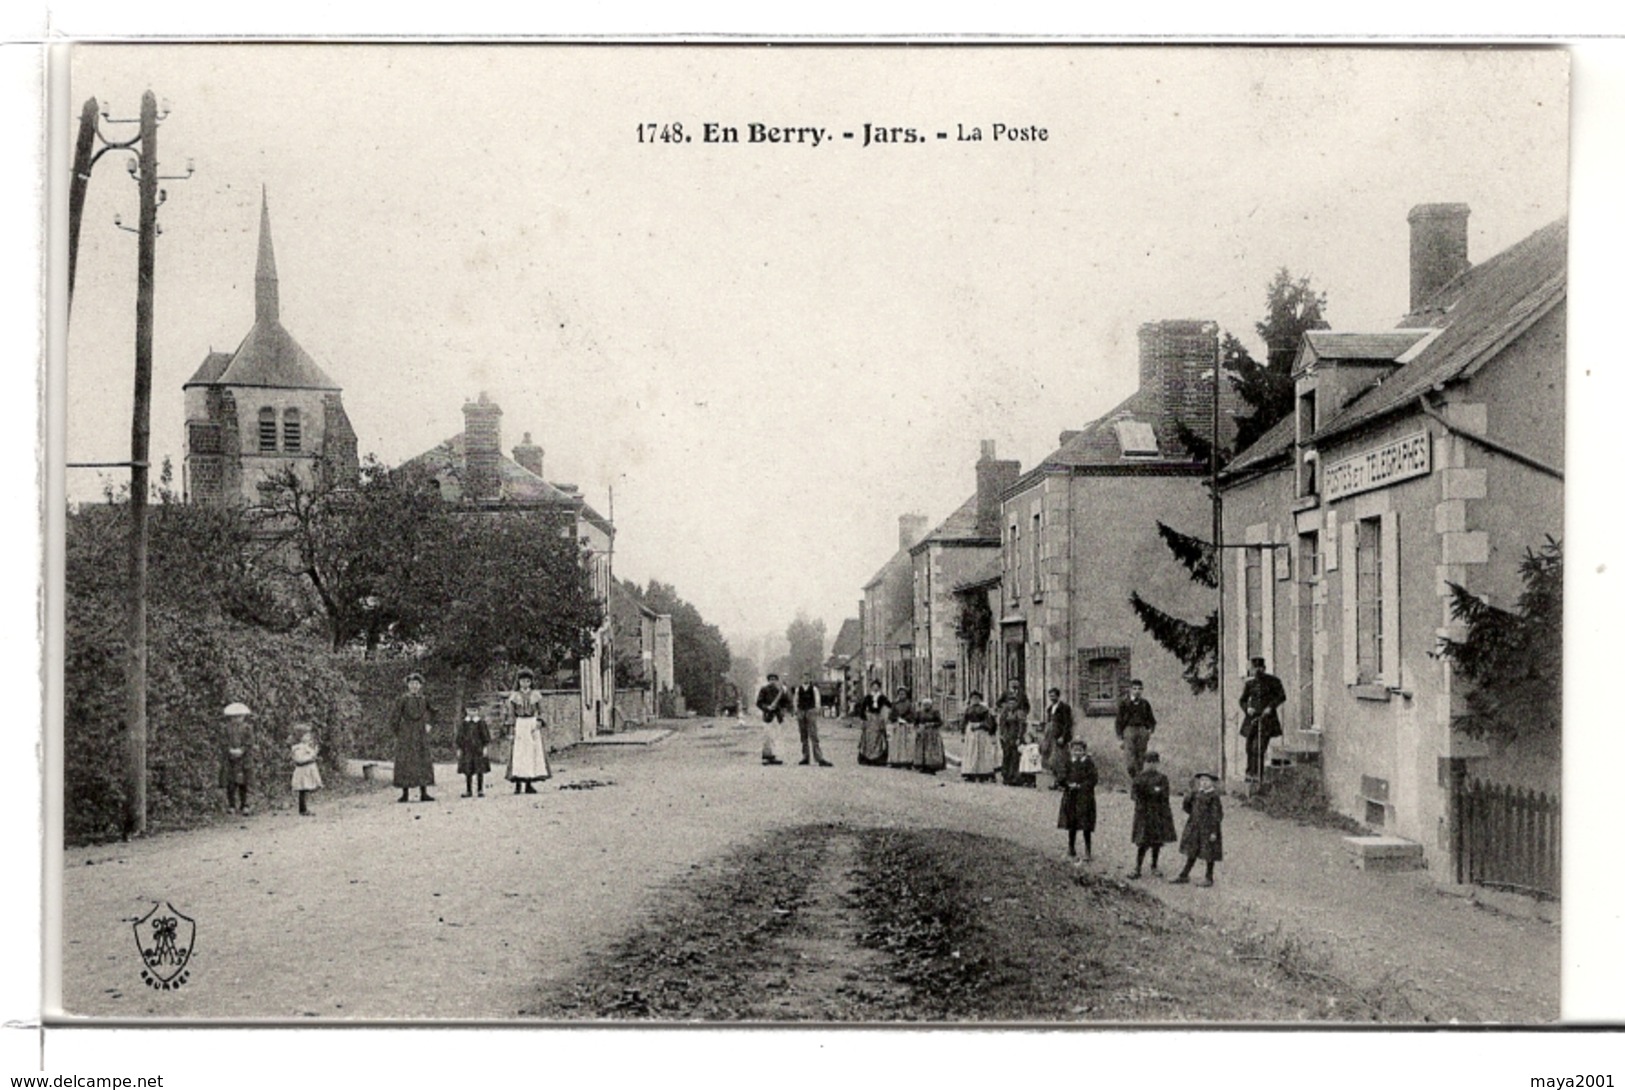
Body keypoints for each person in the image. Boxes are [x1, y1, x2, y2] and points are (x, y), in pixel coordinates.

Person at [388, 672, 437, 803]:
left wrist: (429, 724)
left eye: (416, 684)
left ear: (420, 686)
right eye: (411, 684)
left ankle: (424, 792)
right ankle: (405, 794)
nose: (414, 686)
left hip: (421, 733)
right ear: (408, 685)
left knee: (423, 760)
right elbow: (395, 717)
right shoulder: (402, 699)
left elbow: (433, 712)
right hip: (406, 734)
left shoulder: (424, 699)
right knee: (405, 761)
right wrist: (399, 732)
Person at [1128, 752, 1178, 879]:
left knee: (1156, 842)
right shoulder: (1139, 777)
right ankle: (1137, 867)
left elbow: (1164, 794)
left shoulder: (1162, 778)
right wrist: (1152, 792)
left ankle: (1154, 866)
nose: (1151, 765)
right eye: (1148, 762)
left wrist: (1151, 793)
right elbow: (1134, 794)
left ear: (1157, 764)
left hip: (1157, 814)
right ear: (1144, 764)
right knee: (1142, 841)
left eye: (1154, 763)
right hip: (1143, 814)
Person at [1171, 772, 1224, 887]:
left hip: (1208, 828)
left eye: (1207, 781)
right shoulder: (1196, 794)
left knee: (1209, 852)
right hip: (1195, 827)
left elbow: (1217, 815)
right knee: (1192, 850)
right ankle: (1184, 875)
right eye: (1202, 780)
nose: (1204, 783)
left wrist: (1214, 831)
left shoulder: (1213, 797)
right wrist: (1189, 798)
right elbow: (1187, 806)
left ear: (1212, 783)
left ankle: (1209, 878)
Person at [1239, 657, 1287, 782]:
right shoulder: (1250, 684)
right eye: (1253, 669)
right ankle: (1249, 774)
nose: (1255, 671)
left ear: (1263, 668)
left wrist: (1271, 707)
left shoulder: (1274, 681)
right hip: (1251, 719)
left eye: (1257, 669)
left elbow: (1282, 696)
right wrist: (1247, 708)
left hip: (1267, 720)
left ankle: (1258, 776)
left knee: (1258, 748)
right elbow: (1242, 700)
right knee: (1249, 747)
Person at [504, 669, 551, 793]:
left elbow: (542, 710)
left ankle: (529, 783)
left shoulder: (536, 695)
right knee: (519, 753)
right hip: (520, 724)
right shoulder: (514, 696)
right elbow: (510, 713)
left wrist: (539, 720)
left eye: (527, 681)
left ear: (531, 682)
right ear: (518, 682)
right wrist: (511, 727)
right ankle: (518, 784)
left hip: (531, 723)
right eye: (522, 681)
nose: (525, 684)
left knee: (531, 753)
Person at [1057, 738, 1099, 862]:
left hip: (1085, 798)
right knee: (1072, 823)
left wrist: (1081, 786)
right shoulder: (1068, 762)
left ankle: (1088, 851)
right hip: (1071, 797)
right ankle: (1071, 848)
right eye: (1075, 750)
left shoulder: (1088, 763)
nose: (1077, 753)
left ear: (1084, 751)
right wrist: (1067, 784)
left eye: (1080, 750)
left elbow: (1093, 779)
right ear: (1071, 751)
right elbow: (1061, 776)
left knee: (1086, 825)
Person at [1115, 679, 1157, 778]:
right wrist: (1120, 738)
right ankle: (1134, 777)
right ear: (1130, 690)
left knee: (1141, 757)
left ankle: (1138, 781)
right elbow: (1119, 721)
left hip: (1142, 730)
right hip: (1129, 730)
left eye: (1139, 689)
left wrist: (1150, 730)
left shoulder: (1145, 704)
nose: (1137, 691)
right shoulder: (1124, 704)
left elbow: (1152, 719)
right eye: (1134, 688)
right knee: (1130, 759)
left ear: (1142, 690)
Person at [218, 702, 254, 816]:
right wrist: (229, 750)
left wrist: (242, 750)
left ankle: (244, 805)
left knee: (244, 782)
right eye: (234, 717)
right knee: (230, 783)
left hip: (244, 760)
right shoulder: (226, 729)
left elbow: (250, 743)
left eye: (240, 716)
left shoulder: (248, 728)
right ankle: (231, 805)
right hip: (230, 760)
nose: (237, 719)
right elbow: (223, 742)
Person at [995, 678, 1031, 786]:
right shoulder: (1005, 709)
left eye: (1016, 683)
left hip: (1016, 735)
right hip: (1007, 735)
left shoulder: (1022, 695)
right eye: (1012, 683)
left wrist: (1023, 713)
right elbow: (1001, 725)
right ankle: (1006, 776)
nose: (1014, 685)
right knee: (1007, 755)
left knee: (1016, 756)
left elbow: (1027, 707)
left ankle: (1015, 777)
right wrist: (1002, 735)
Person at [793, 672, 833, 766]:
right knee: (803, 735)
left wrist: (816, 710)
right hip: (801, 711)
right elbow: (796, 700)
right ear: (801, 679)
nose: (805, 679)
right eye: (804, 677)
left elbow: (817, 700)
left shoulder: (814, 689)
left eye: (807, 677)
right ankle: (805, 757)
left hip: (811, 711)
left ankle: (819, 757)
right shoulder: (798, 689)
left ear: (810, 679)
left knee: (813, 735)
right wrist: (796, 711)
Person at [959, 690, 999, 782]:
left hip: (981, 733)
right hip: (970, 733)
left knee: (982, 752)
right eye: (973, 698)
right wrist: (963, 733)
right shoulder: (968, 710)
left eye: (977, 698)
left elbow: (990, 722)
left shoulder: (984, 710)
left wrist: (980, 725)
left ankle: (983, 773)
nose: (975, 700)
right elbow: (963, 722)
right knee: (970, 751)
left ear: (980, 699)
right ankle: (970, 772)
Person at [1039, 687, 1074, 790]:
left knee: (1060, 759)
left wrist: (1063, 736)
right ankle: (1055, 780)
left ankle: (1062, 782)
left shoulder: (1064, 707)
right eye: (1050, 696)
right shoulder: (1050, 709)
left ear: (1058, 696)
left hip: (1059, 737)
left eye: (1053, 695)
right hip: (1050, 737)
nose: (1051, 698)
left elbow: (1068, 723)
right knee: (1050, 759)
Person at [755, 673, 792, 766]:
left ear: (776, 680)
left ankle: (775, 756)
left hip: (777, 716)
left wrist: (783, 708)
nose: (772, 681)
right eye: (771, 679)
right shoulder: (764, 690)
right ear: (768, 680)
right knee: (767, 737)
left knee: (776, 737)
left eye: (774, 679)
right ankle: (766, 756)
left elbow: (786, 702)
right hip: (768, 716)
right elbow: (759, 702)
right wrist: (767, 707)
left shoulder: (780, 691)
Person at [457, 702, 492, 798]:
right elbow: (460, 737)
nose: (472, 713)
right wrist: (459, 748)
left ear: (478, 711)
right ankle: (468, 790)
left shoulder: (481, 723)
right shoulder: (464, 723)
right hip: (467, 750)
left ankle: (480, 789)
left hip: (478, 750)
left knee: (479, 769)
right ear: (466, 711)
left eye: (474, 710)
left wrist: (485, 748)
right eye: (469, 710)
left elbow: (485, 736)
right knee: (468, 770)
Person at [854, 680, 891, 766]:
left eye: (877, 686)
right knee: (868, 738)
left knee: (879, 737)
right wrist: (863, 717)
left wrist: (886, 714)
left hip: (878, 718)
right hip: (870, 719)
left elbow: (889, 705)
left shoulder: (882, 697)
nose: (875, 688)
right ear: (871, 687)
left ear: (879, 687)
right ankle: (866, 757)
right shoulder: (868, 697)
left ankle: (878, 758)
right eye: (874, 686)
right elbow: (863, 708)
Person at [289, 723, 322, 817]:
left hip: (308, 770)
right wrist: (312, 756)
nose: (309, 737)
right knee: (303, 789)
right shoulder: (298, 748)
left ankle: (304, 808)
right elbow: (299, 760)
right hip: (303, 771)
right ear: (300, 737)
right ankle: (303, 809)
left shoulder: (307, 746)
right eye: (306, 735)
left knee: (306, 788)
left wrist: (314, 752)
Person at [913, 697, 946, 774]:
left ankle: (932, 766)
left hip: (932, 733)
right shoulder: (919, 713)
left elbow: (940, 722)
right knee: (922, 749)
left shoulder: (935, 713)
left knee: (931, 750)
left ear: (931, 705)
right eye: (924, 705)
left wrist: (932, 724)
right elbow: (915, 722)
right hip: (922, 733)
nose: (926, 706)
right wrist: (917, 729)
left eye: (928, 705)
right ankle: (922, 765)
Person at [887, 685, 916, 769]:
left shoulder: (909, 704)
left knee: (906, 744)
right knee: (896, 743)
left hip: (906, 726)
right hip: (897, 726)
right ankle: (896, 760)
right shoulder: (895, 704)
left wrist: (906, 719)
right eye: (900, 694)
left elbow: (912, 714)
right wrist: (896, 718)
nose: (901, 695)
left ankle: (907, 761)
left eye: (903, 694)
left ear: (906, 695)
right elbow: (891, 715)